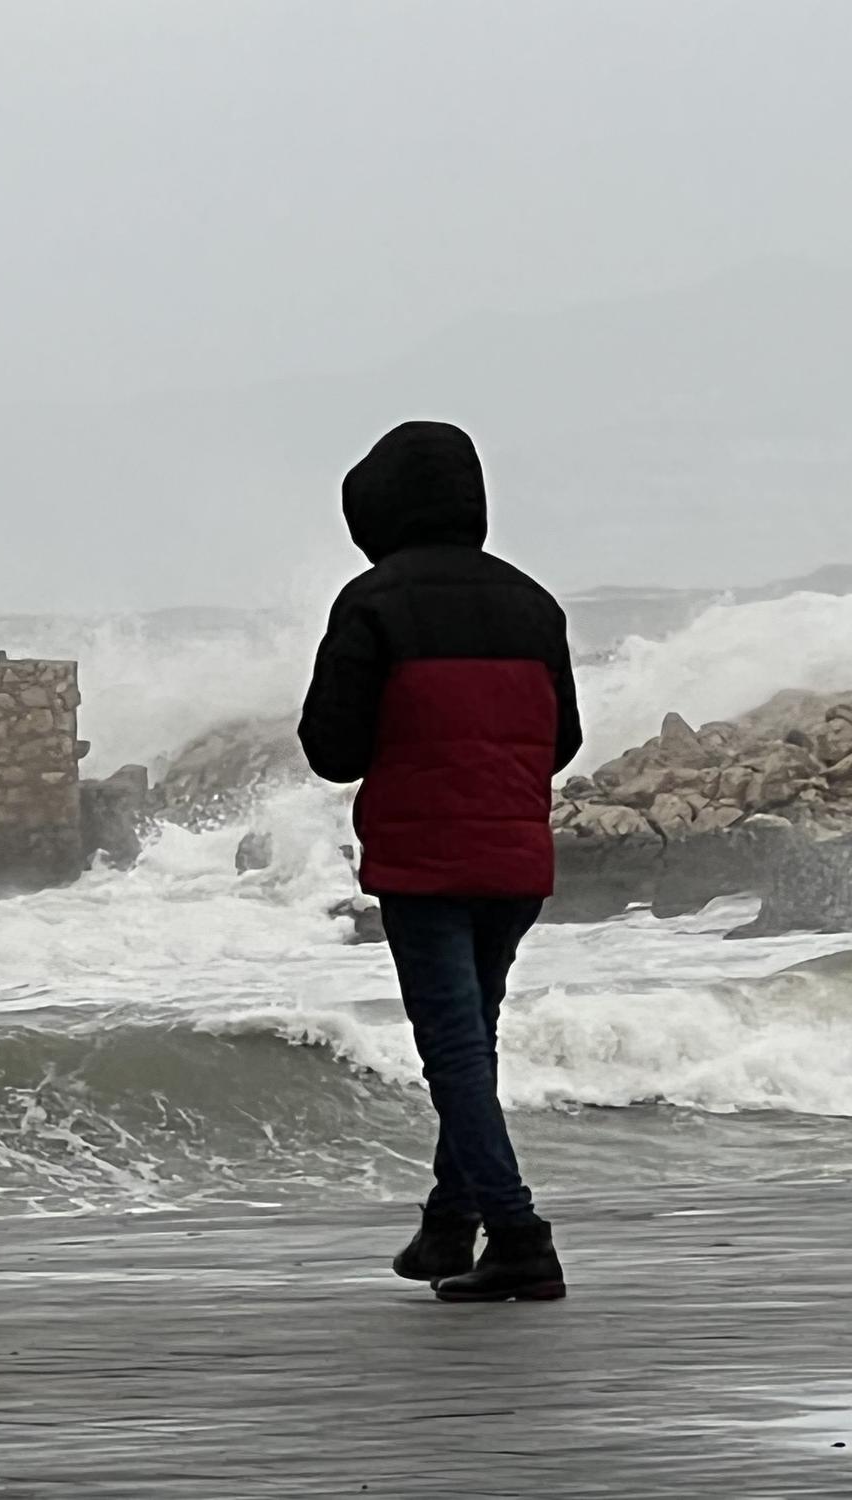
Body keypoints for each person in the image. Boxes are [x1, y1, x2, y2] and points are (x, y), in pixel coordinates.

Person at [298, 420, 582, 1302]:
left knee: (453, 1052)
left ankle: (519, 1234)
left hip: (424, 862)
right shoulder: (535, 605)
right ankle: (449, 1225)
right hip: (515, 860)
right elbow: (563, 739)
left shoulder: (372, 603)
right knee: (473, 1043)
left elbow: (332, 748)